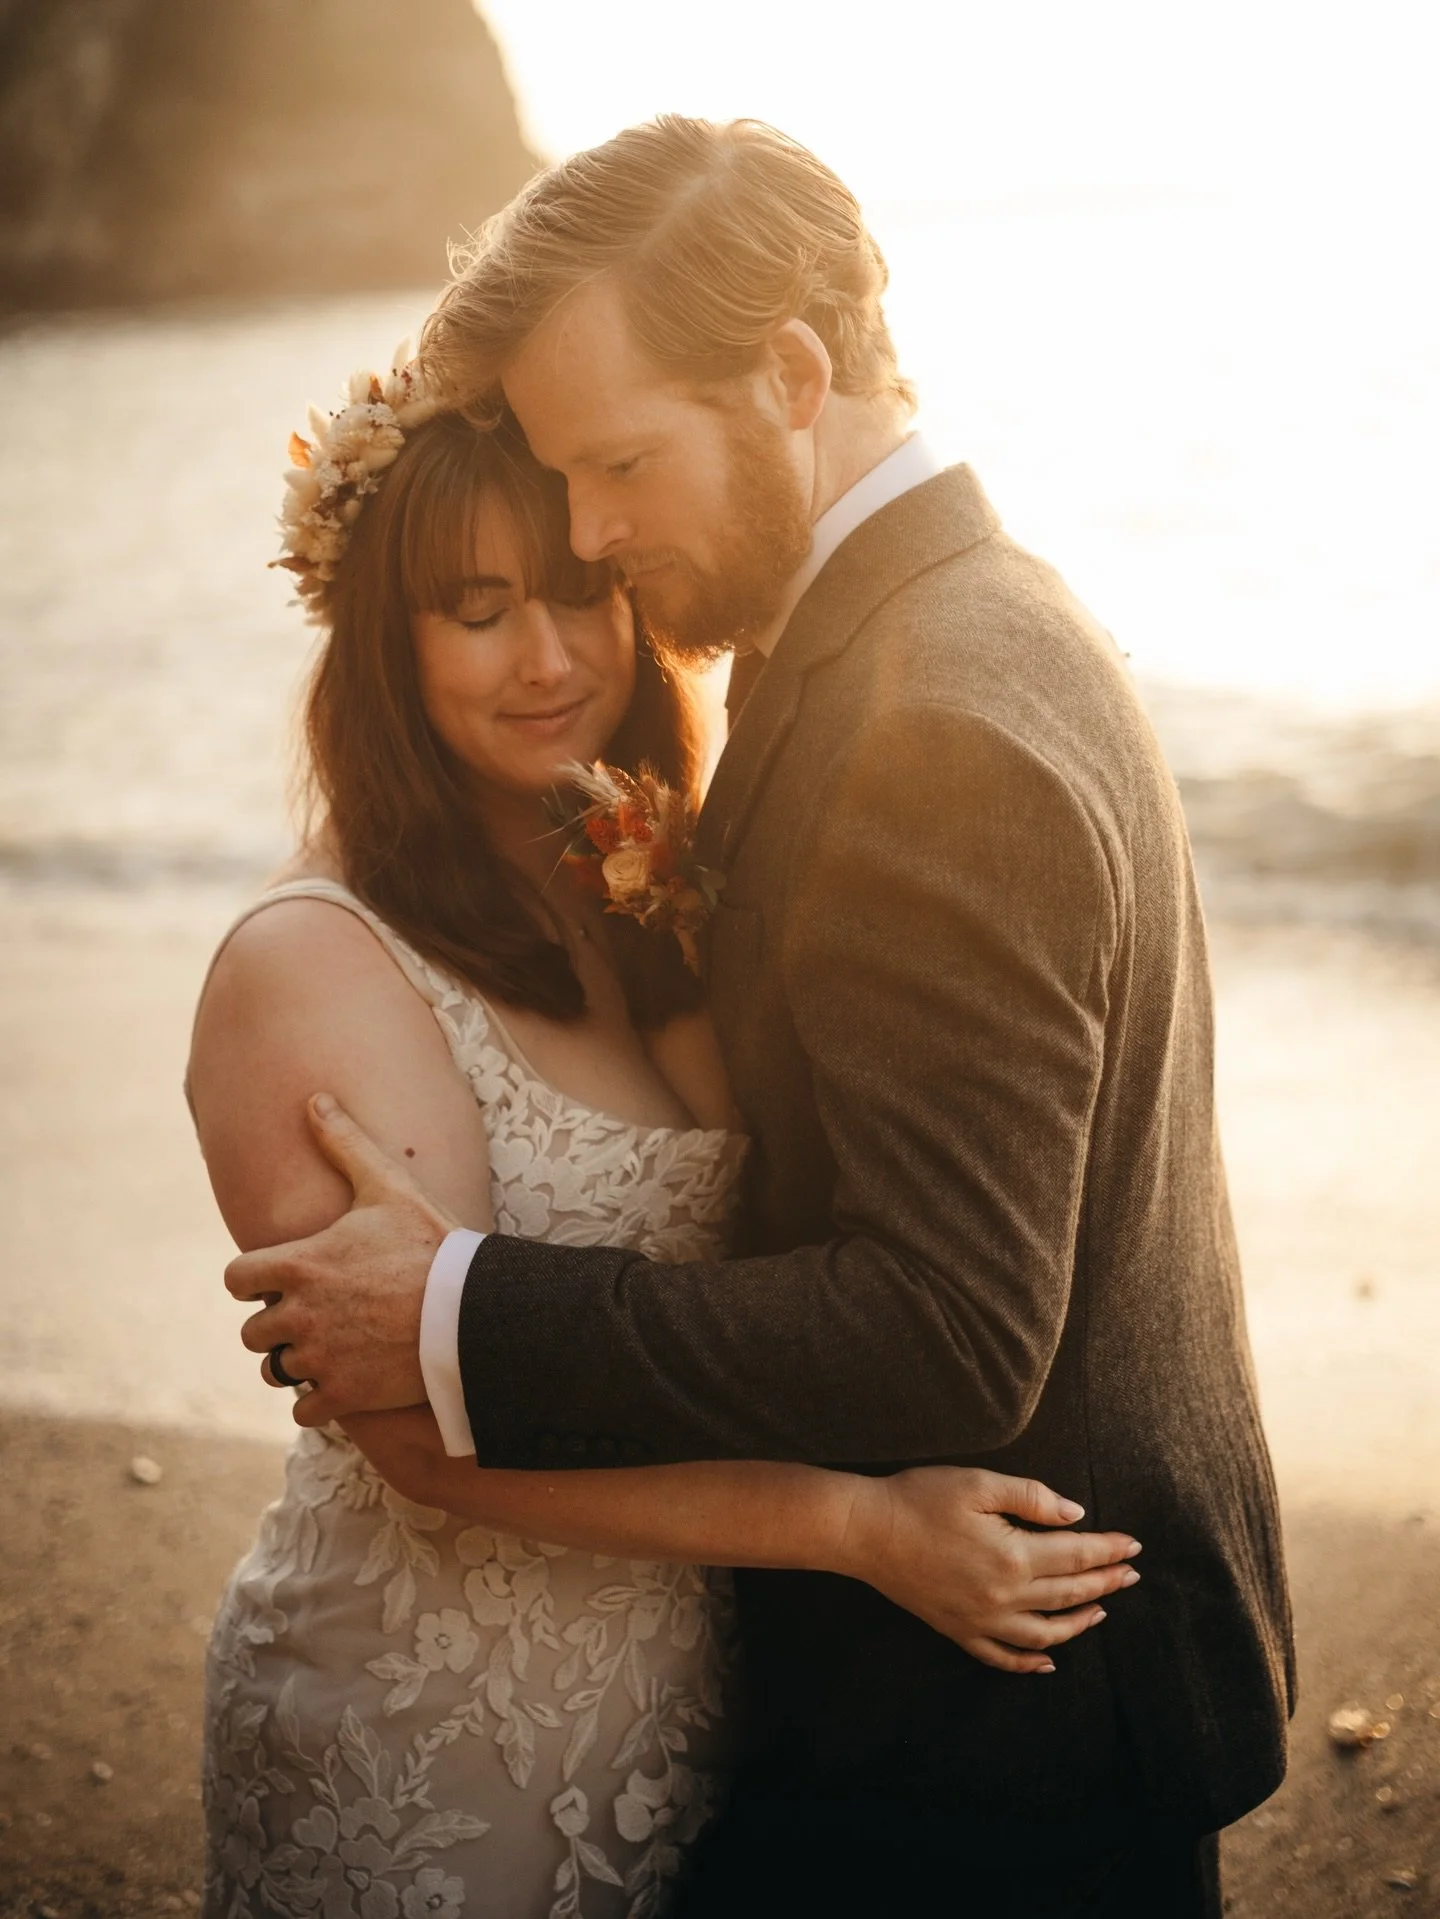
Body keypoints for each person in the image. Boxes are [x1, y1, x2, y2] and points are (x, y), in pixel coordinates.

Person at [228, 118, 1295, 1916]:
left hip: (1004, 1737)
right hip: (1008, 1693)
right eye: (556, 492)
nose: (590, 534)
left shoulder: (932, 712)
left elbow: (953, 1327)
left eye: (618, 463)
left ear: (791, 374)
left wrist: (464, 1305)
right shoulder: (957, 627)